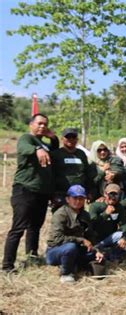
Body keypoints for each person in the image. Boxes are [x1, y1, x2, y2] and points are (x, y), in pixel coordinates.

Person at [2, 113, 59, 272]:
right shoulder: (26, 138)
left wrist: (52, 137)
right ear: (31, 125)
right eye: (39, 123)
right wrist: (37, 149)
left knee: (35, 226)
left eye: (45, 124)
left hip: (41, 192)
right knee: (18, 228)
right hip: (24, 189)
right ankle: (7, 265)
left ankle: (32, 255)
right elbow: (24, 148)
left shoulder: (43, 142)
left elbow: (54, 149)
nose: (42, 126)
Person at [46, 185, 105, 283]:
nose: (78, 201)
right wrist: (81, 240)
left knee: (100, 255)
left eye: (81, 198)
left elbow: (90, 235)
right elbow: (57, 239)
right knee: (70, 247)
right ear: (67, 199)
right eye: (75, 198)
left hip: (77, 249)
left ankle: (78, 265)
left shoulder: (85, 215)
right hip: (56, 250)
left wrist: (97, 250)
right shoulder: (60, 214)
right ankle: (66, 274)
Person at [51, 128, 95, 211]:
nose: (71, 139)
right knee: (61, 219)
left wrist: (89, 191)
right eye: (68, 137)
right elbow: (51, 174)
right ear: (62, 139)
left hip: (79, 195)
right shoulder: (56, 154)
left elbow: (87, 172)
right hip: (61, 194)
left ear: (77, 139)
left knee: (78, 219)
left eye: (73, 137)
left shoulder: (81, 154)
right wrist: (52, 194)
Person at [89, 184, 126, 260]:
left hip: (110, 237)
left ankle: (113, 254)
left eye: (115, 194)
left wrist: (124, 238)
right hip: (96, 239)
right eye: (110, 194)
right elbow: (92, 223)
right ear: (105, 194)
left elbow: (125, 224)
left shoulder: (120, 207)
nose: (113, 197)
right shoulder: (95, 206)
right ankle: (103, 251)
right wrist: (105, 214)